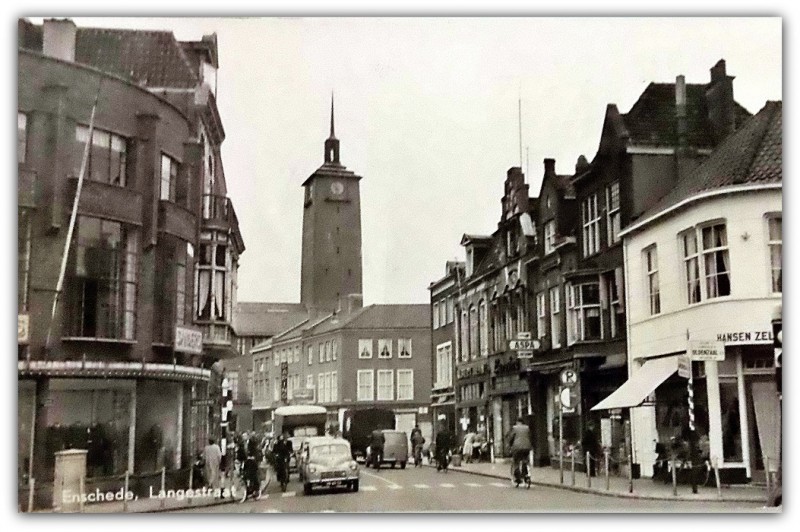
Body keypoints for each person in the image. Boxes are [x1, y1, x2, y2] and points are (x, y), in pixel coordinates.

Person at [506, 418, 532, 483]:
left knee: (516, 461)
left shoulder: (514, 428)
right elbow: (530, 437)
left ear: (517, 422)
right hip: (527, 447)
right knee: (525, 460)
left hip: (517, 447)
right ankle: (526, 475)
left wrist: (509, 445)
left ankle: (517, 477)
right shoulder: (527, 428)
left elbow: (511, 437)